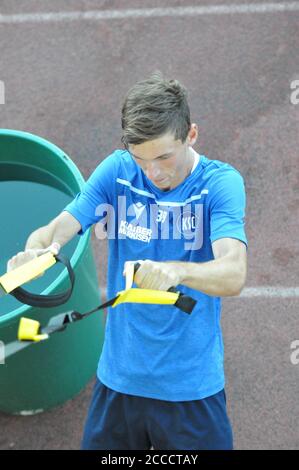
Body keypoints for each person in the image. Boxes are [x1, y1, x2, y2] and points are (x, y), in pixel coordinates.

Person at [7, 71, 247, 450]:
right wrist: (35, 252)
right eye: (141, 159)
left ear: (192, 135)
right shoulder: (118, 171)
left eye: (164, 157)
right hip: (119, 380)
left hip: (190, 387)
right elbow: (56, 230)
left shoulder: (218, 184)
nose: (153, 172)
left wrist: (176, 270)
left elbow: (234, 273)